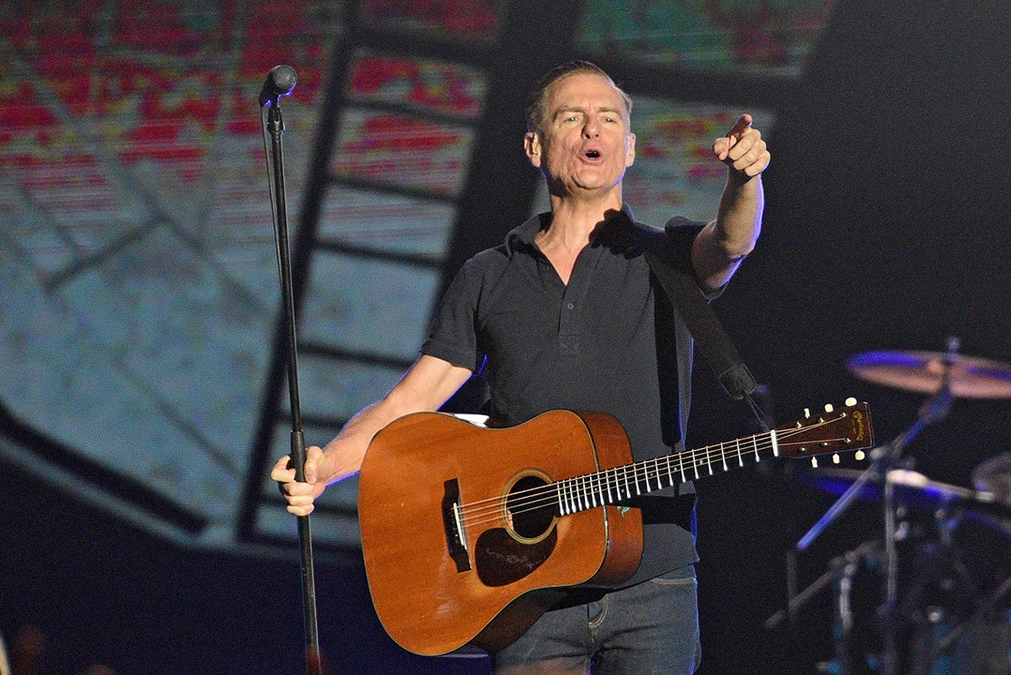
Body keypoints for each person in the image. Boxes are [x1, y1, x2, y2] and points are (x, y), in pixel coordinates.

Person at [273, 60, 769, 674]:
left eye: (609, 118)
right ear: (536, 145)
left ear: (630, 148)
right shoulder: (489, 273)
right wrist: (326, 467)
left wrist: (744, 181)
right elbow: (409, 404)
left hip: (652, 580)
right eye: (573, 117)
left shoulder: (664, 258)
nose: (594, 128)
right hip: (524, 587)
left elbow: (730, 243)